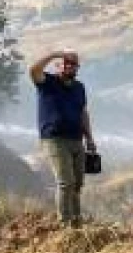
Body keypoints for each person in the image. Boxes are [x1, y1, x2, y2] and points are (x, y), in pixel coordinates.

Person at [30, 50, 95, 226]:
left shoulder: (79, 88)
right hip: (55, 139)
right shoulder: (48, 82)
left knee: (78, 183)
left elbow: (83, 112)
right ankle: (64, 223)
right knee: (66, 182)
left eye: (73, 64)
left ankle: (76, 220)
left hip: (76, 139)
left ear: (77, 68)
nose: (69, 66)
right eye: (65, 62)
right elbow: (33, 70)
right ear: (58, 65)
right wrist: (54, 54)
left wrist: (89, 138)